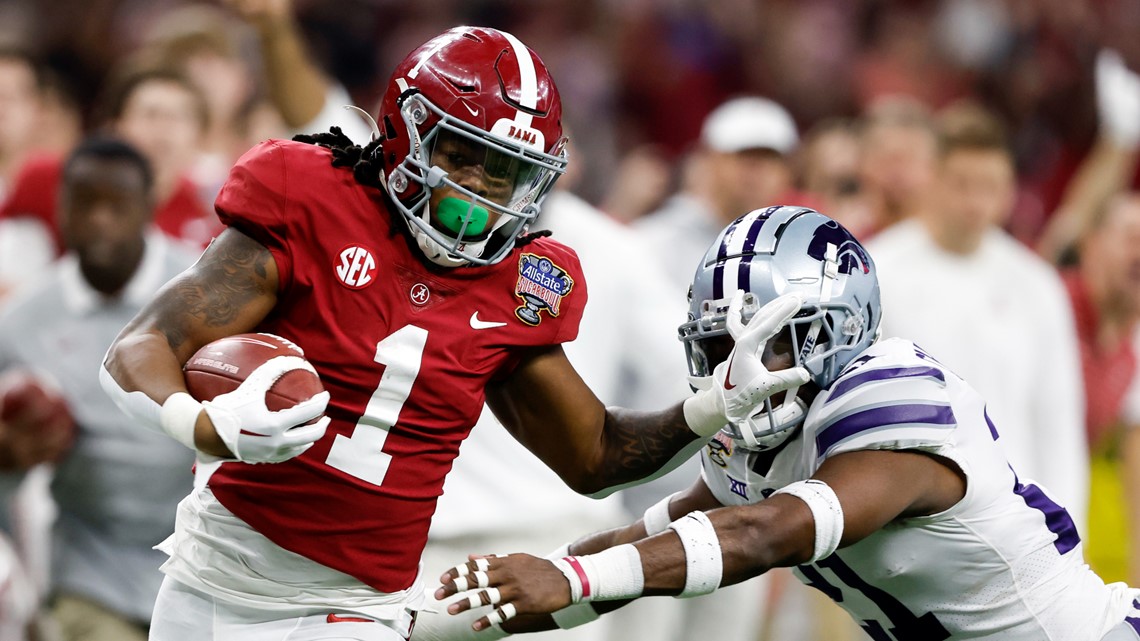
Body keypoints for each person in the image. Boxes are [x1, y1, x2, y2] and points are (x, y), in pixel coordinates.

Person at [98, 27, 795, 641]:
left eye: (510, 174)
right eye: (465, 158)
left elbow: (595, 455)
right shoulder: (311, 197)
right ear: (406, 133)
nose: (482, 195)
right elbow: (138, 348)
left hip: (356, 606)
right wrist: (205, 425)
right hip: (207, 572)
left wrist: (705, 409)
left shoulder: (525, 281)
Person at [435, 205, 1140, 641]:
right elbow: (642, 543)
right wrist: (446, 616)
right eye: (717, 348)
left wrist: (571, 580)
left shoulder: (890, 398)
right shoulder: (758, 443)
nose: (737, 370)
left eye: (767, 341)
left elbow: (762, 534)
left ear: (836, 331)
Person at [0, 136, 199, 640]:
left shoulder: (206, 292)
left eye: (118, 205)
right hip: (89, 566)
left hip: (204, 560)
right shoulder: (21, 321)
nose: (101, 220)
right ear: (61, 207)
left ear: (149, 205)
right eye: (86, 203)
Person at [866, 102, 1088, 531]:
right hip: (911, 521)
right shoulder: (880, 272)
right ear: (930, 178)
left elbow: (1058, 424)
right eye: (962, 184)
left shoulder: (1038, 285)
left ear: (1010, 191)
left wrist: (1070, 530)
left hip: (1017, 524)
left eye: (990, 187)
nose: (975, 202)